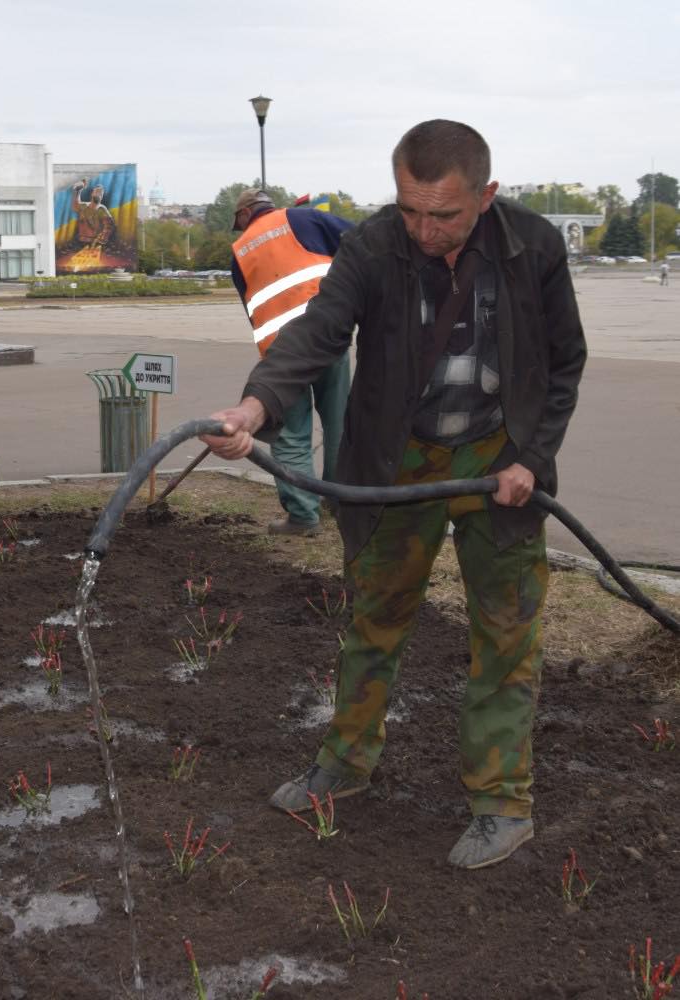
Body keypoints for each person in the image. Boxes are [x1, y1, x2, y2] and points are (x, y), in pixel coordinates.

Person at [202, 120, 587, 869]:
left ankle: (501, 804)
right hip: (393, 460)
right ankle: (344, 765)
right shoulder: (373, 245)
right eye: (410, 209)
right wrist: (255, 408)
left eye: (442, 214)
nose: (423, 229)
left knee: (505, 633)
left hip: (496, 461)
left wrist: (532, 460)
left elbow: (564, 362)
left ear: (487, 194)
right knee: (373, 618)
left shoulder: (532, 246)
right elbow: (315, 333)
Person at [230, 188, 353, 535]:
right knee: (340, 422)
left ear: (244, 214)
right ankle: (341, 500)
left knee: (290, 433)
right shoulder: (306, 219)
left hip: (282, 355)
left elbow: (251, 310)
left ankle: (303, 516)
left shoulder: (239, 251)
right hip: (329, 335)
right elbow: (360, 243)